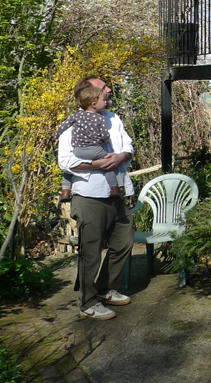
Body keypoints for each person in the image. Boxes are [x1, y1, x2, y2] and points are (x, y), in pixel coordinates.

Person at [58, 76, 135, 321]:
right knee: (90, 252)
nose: (109, 90)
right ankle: (88, 302)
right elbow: (66, 161)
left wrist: (121, 156)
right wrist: (99, 163)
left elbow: (128, 147)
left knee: (124, 240)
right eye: (103, 88)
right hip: (89, 195)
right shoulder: (74, 123)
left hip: (116, 191)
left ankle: (103, 289)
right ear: (89, 96)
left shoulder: (113, 119)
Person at [55, 85, 121, 200]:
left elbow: (63, 126)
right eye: (103, 100)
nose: (105, 102)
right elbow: (104, 135)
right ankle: (114, 188)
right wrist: (106, 142)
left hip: (78, 151)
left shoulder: (76, 115)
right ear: (94, 104)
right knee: (108, 165)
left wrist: (57, 136)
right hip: (95, 150)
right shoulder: (100, 118)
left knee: (69, 171)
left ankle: (65, 191)